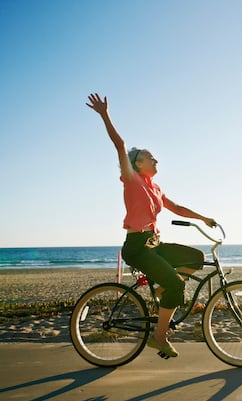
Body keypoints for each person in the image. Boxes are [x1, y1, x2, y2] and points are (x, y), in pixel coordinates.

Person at [86, 93, 216, 358]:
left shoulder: (155, 188)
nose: (156, 161)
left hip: (155, 245)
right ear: (138, 163)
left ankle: (161, 289)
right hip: (137, 247)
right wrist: (104, 115)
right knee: (178, 287)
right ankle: (159, 337)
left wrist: (203, 218)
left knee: (197, 257)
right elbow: (120, 145)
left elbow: (177, 208)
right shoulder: (131, 179)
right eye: (151, 158)